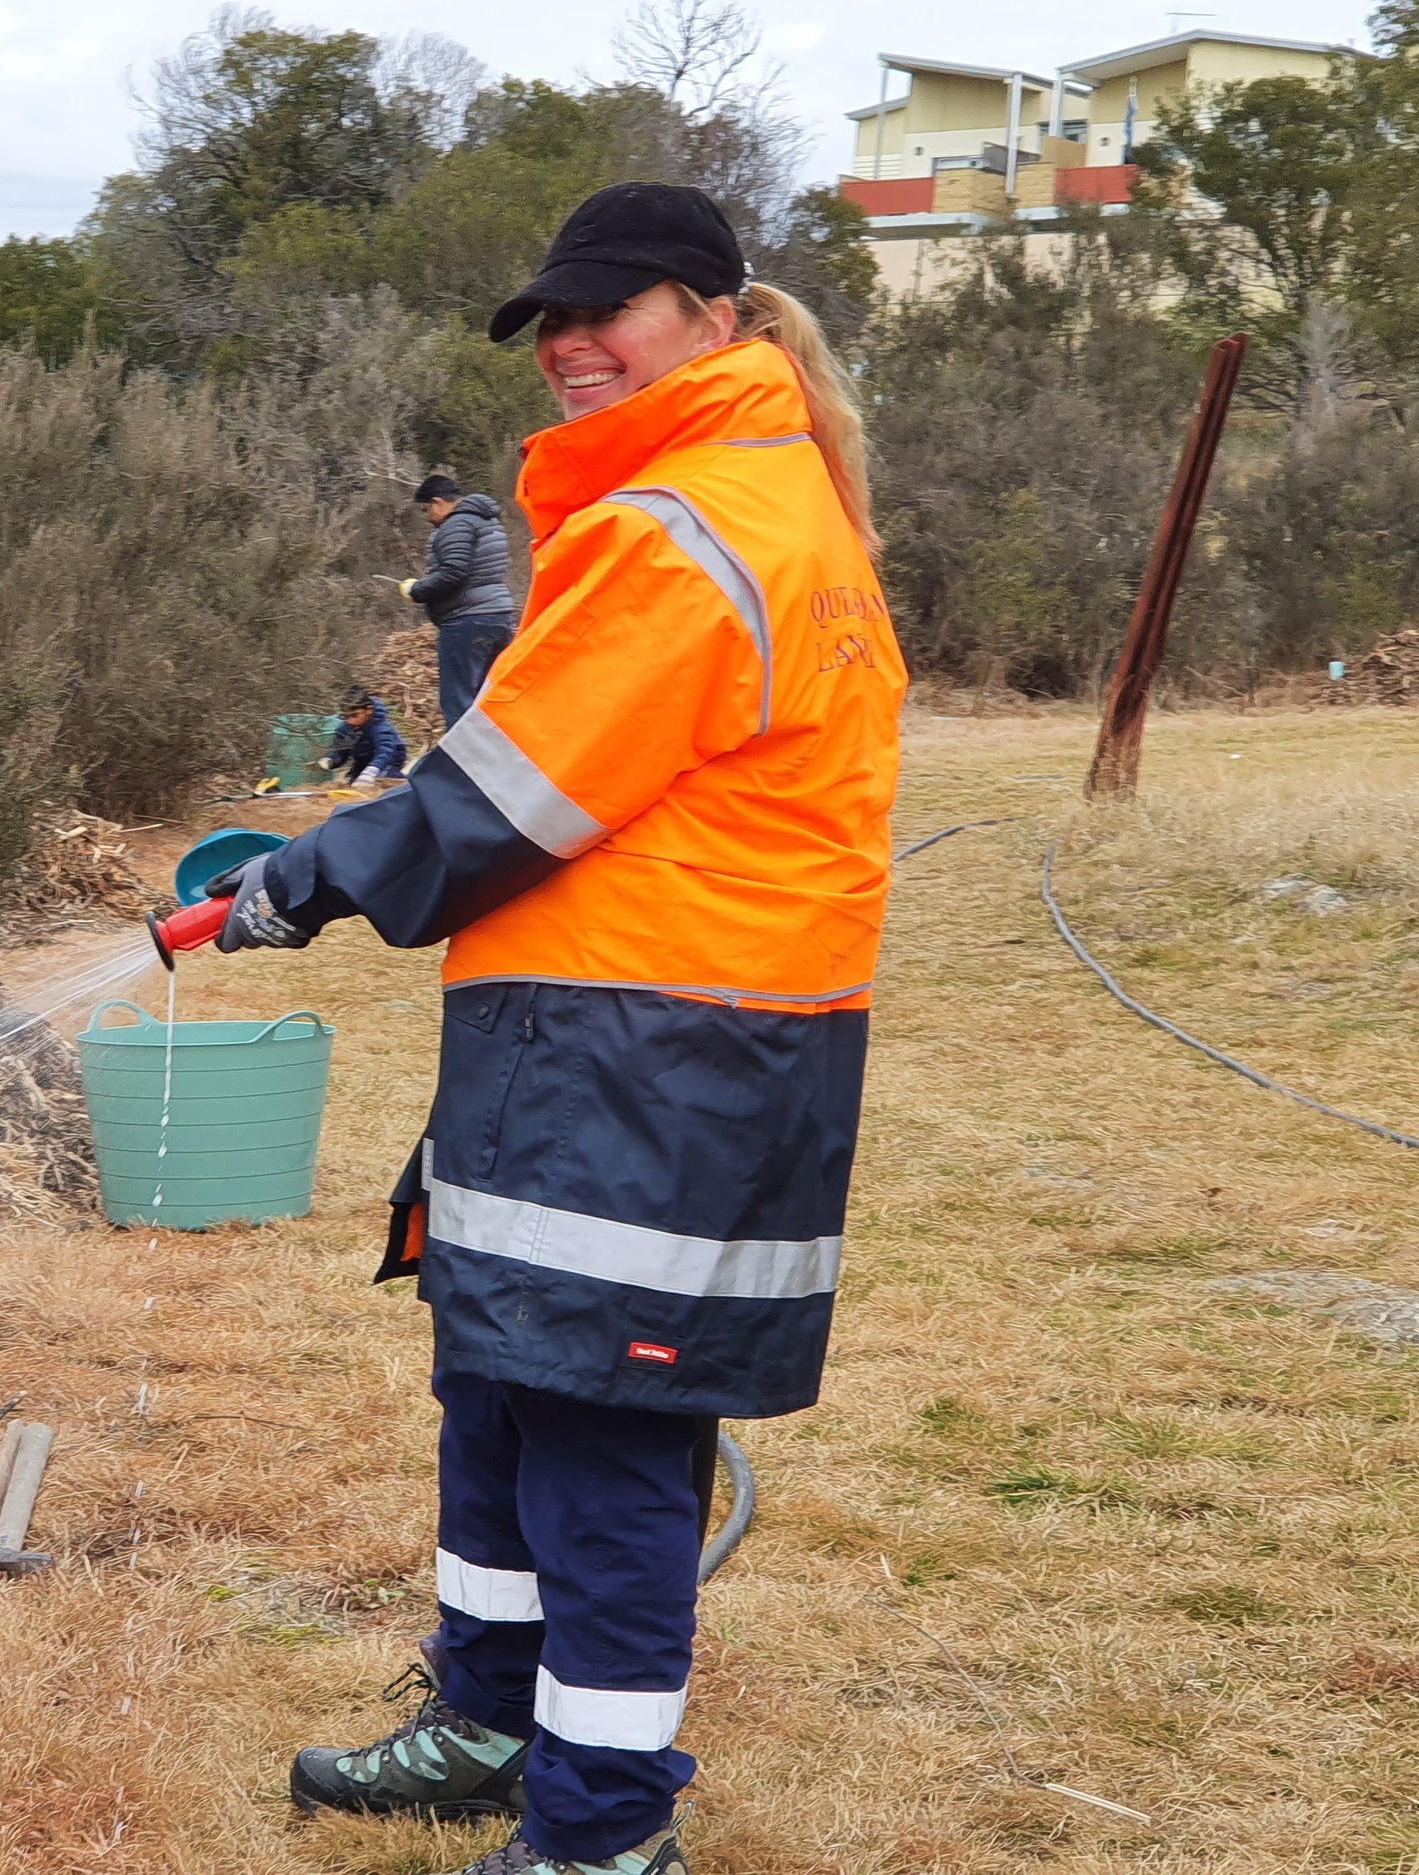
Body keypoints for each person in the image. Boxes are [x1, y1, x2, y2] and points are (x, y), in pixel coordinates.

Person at [205, 180, 906, 1875]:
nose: (578, 346)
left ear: (715, 320)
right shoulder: (691, 504)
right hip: (598, 1040)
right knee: (505, 1387)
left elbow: (509, 798)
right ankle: (485, 1721)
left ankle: (597, 1832)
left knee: (598, 1434)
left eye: (620, 309)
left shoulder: (695, 527)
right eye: (556, 322)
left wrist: (310, 877)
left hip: (657, 1057)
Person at [402, 474, 517, 728]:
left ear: (437, 502)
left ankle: (463, 766)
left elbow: (453, 572)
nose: (427, 517)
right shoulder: (489, 522)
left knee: (459, 704)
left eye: (426, 509)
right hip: (497, 618)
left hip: (466, 623)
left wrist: (416, 591)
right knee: (488, 702)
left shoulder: (457, 524)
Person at [318, 688, 410, 786]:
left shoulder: (380, 728)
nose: (350, 721)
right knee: (353, 784)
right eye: (346, 717)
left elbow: (385, 750)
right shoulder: (345, 729)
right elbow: (341, 752)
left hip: (388, 762)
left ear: (369, 711)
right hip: (362, 762)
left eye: (355, 715)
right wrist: (330, 760)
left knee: (382, 783)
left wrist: (372, 770)